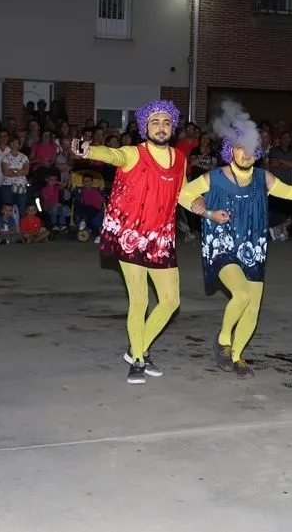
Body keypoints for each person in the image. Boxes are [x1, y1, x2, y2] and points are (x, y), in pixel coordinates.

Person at [180, 101, 292, 379]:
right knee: (241, 294)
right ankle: (223, 340)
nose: (246, 153)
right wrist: (206, 210)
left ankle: (238, 356)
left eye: (251, 148)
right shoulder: (214, 177)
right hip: (222, 244)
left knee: (252, 307)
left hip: (253, 246)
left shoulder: (263, 178)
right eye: (240, 148)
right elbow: (183, 194)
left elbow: (290, 192)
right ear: (230, 150)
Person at [73, 100, 196, 385]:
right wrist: (89, 150)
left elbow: (183, 193)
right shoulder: (133, 153)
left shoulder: (179, 158)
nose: (161, 127)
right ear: (144, 127)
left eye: (166, 122)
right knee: (139, 300)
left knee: (171, 301)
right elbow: (112, 154)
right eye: (155, 122)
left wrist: (204, 208)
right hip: (132, 237)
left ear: (173, 127)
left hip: (162, 240)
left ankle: (137, 348)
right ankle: (139, 359)